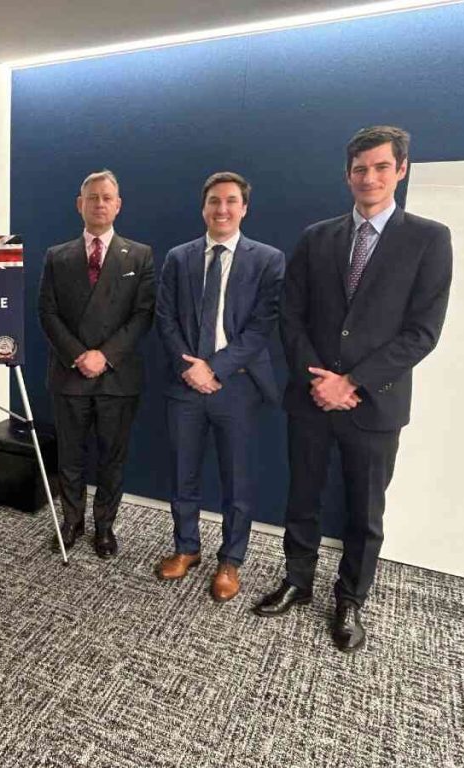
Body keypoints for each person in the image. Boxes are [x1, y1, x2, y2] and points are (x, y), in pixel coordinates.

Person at [254, 126, 453, 652]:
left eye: (381, 167)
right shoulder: (316, 238)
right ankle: (297, 580)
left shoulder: (429, 239)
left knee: (365, 511)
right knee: (303, 496)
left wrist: (353, 382)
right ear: (348, 175)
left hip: (375, 404)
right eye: (361, 169)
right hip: (312, 398)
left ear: (400, 170)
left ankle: (350, 598)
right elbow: (290, 315)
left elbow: (423, 332)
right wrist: (319, 381)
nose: (370, 177)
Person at [155, 172, 285, 600]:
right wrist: (190, 368)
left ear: (244, 208)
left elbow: (261, 326)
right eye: (214, 201)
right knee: (181, 473)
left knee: (238, 480)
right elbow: (166, 318)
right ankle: (186, 548)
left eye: (231, 201)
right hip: (185, 383)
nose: (222, 209)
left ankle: (230, 561)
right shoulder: (179, 257)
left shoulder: (267, 259)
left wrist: (215, 368)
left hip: (238, 386)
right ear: (203, 207)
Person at [37, 170, 156, 558]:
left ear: (118, 205)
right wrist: (79, 355)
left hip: (117, 376)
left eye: (107, 197)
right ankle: (72, 521)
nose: (100, 204)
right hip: (69, 375)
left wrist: (104, 356)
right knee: (69, 455)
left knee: (111, 457)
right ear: (80, 204)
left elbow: (142, 315)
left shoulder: (140, 255)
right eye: (92, 197)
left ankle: (105, 526)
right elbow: (47, 312)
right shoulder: (58, 256)